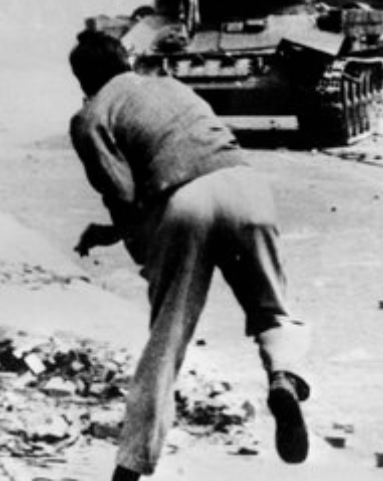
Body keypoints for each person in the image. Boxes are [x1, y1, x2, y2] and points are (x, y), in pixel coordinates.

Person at [67, 30, 312, 481]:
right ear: (125, 60)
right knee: (274, 312)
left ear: (83, 80)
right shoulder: (168, 83)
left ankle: (130, 466)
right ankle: (283, 377)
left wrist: (143, 252)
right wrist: (113, 233)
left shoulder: (91, 116)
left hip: (184, 203)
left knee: (167, 340)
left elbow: (123, 195)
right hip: (245, 185)